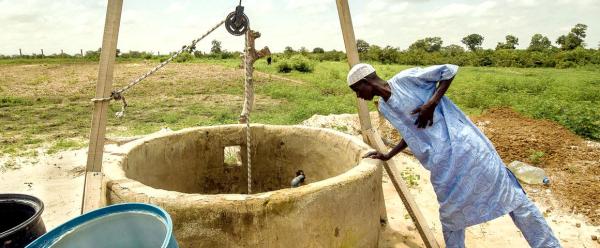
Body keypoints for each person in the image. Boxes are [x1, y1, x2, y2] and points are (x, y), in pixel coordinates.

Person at [347, 63, 561, 248]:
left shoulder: (406, 80)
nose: (359, 96)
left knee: (512, 198)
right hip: (443, 166)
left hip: (467, 149)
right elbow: (411, 133)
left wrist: (432, 104)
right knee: (450, 217)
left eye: (357, 90)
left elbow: (449, 71)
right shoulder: (384, 107)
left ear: (366, 82)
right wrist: (388, 154)